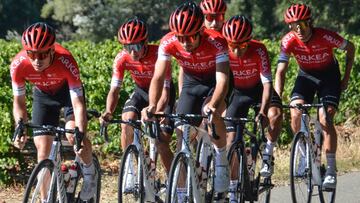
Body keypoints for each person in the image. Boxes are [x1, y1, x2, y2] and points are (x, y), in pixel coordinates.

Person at [141, 1, 230, 201]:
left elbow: (223, 80)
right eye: (181, 37)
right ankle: (182, 192)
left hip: (214, 82)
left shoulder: (217, 41)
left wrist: (213, 105)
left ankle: (221, 159)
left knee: (213, 115)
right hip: (191, 84)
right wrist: (152, 105)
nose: (185, 42)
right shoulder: (168, 41)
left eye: (190, 37)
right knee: (182, 137)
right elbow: (157, 76)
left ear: (201, 31)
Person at [10, 22, 97, 201]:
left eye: (42, 55)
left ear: (52, 51)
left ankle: (90, 175)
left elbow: (78, 104)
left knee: (74, 135)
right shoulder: (18, 64)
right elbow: (19, 101)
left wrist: (80, 132)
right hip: (43, 96)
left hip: (67, 94)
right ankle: (46, 199)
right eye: (31, 54)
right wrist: (20, 125)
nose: (36, 60)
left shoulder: (66, 60)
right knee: (42, 152)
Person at [276, 4, 355, 189]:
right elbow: (280, 71)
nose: (299, 30)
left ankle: (330, 169)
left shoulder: (325, 36)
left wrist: (346, 77)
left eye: (303, 25)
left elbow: (350, 48)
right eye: (294, 26)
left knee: (325, 118)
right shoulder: (288, 41)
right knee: (295, 113)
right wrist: (277, 97)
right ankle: (305, 157)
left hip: (329, 77)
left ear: (310, 22)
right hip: (306, 77)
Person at [99, 18, 175, 175]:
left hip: (162, 93)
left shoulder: (159, 54)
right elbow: (114, 90)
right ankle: (130, 170)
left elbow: (166, 91)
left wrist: (157, 111)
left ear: (146, 42)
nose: (132, 51)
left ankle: (174, 183)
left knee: (162, 142)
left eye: (137, 46)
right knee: (127, 121)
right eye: (128, 47)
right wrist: (108, 111)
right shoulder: (122, 58)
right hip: (141, 91)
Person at [221, 16, 283, 200]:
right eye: (232, 45)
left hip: (260, 91)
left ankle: (267, 153)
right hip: (238, 93)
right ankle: (233, 189)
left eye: (242, 46)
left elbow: (267, 85)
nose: (236, 50)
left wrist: (263, 110)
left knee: (274, 115)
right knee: (231, 140)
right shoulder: (223, 50)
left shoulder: (259, 49)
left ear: (249, 41)